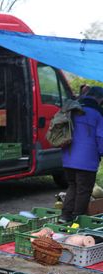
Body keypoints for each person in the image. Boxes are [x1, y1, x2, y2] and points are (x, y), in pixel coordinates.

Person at [58, 86, 103, 223]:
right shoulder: (97, 113)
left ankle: (65, 217)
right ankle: (78, 220)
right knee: (84, 190)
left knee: (73, 186)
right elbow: (100, 137)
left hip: (68, 157)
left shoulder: (73, 109)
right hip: (86, 160)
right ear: (99, 98)